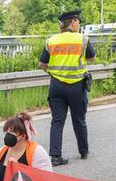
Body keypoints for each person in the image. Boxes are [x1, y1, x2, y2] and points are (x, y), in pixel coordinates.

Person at [38, 10, 96, 166]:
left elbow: (42, 64)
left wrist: (54, 72)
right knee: (79, 120)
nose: (79, 24)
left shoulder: (51, 40)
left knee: (57, 121)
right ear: (73, 22)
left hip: (56, 86)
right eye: (79, 21)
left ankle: (55, 156)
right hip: (76, 86)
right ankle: (83, 151)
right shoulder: (82, 39)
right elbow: (92, 57)